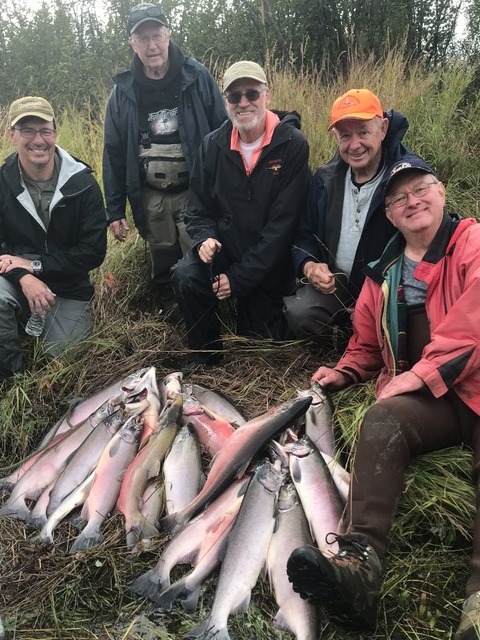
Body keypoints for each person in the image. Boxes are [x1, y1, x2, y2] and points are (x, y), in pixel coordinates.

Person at [286, 158, 480, 640]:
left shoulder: (472, 242)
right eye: (399, 198)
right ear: (389, 215)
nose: (412, 202)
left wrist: (418, 374)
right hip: (429, 400)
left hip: (474, 387)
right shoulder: (383, 272)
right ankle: (358, 569)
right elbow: (368, 346)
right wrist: (344, 371)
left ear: (441, 194)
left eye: (421, 190)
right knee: (381, 419)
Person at [171, 60, 310, 365]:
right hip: (226, 248)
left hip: (271, 261)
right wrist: (204, 239)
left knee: (260, 347)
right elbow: (197, 211)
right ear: (226, 102)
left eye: (251, 94)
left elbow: (282, 227)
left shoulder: (293, 145)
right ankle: (205, 353)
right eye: (234, 96)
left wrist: (237, 279)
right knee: (185, 273)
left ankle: (250, 311)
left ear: (267, 96)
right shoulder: (211, 145)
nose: (243, 103)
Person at [103, 2, 227, 308]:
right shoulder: (122, 91)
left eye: (156, 35)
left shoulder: (197, 76)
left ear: (168, 34)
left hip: (194, 189)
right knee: (161, 251)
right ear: (132, 43)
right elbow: (114, 152)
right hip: (150, 192)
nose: (152, 45)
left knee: (198, 251)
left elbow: (223, 131)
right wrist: (115, 210)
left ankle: (207, 307)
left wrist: (227, 189)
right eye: (142, 38)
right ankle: (169, 305)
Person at [284, 88, 425, 343]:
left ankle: (370, 336)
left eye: (363, 132)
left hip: (387, 287)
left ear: (382, 129)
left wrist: (374, 298)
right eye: (345, 136)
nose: (355, 145)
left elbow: (424, 249)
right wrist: (309, 265)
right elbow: (303, 235)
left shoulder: (407, 177)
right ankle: (346, 340)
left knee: (405, 325)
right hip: (339, 283)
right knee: (299, 313)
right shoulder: (324, 180)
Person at [0, 96, 107, 380]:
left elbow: (93, 252)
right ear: (12, 135)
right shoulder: (1, 182)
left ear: (55, 132)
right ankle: (13, 384)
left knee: (65, 365)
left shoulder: (82, 183)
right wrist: (24, 277)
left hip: (68, 289)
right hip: (15, 283)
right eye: (27, 130)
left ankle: (31, 329)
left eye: (45, 130)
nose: (38, 140)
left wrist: (36, 266)